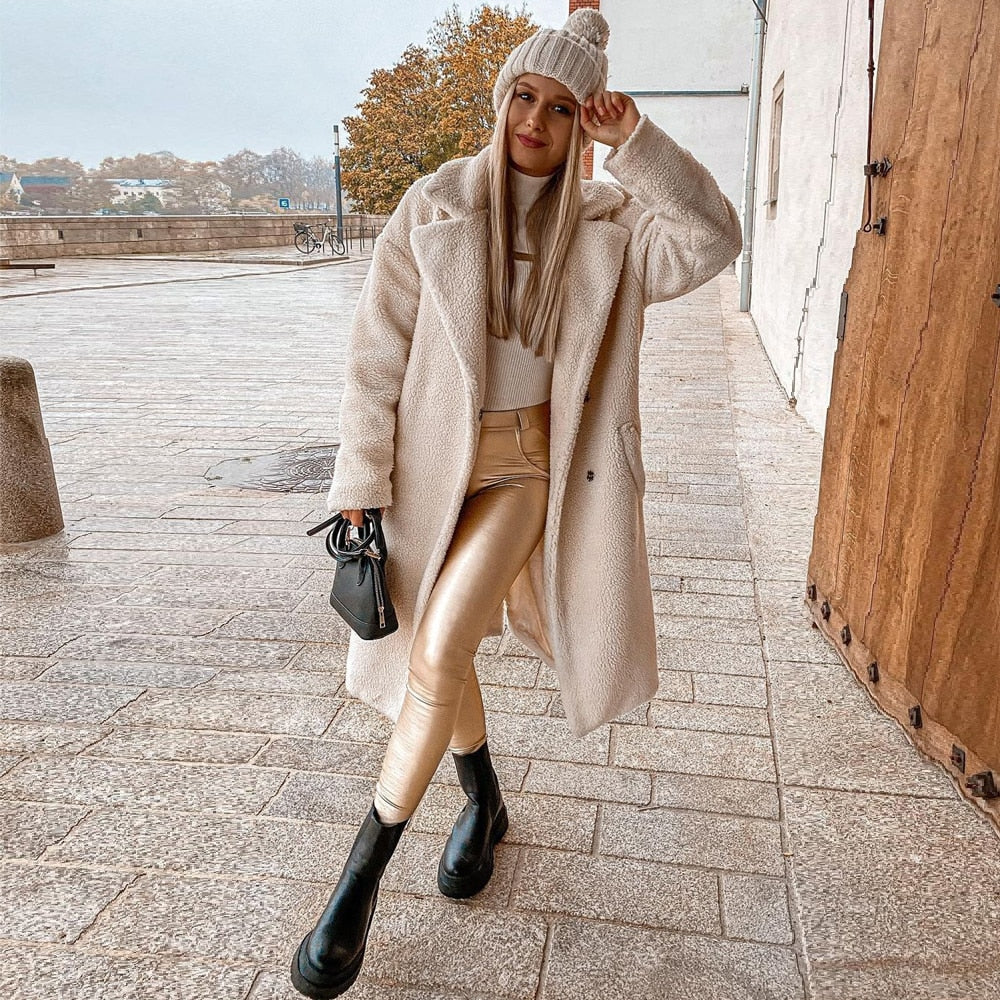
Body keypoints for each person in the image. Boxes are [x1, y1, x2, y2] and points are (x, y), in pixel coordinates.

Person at [291, 9, 743, 998]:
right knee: (435, 650)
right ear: (500, 104)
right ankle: (483, 796)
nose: (535, 117)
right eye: (522, 96)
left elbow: (711, 239)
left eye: (561, 105)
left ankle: (357, 882)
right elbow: (373, 365)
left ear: (585, 123)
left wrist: (640, 146)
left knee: (439, 646)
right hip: (424, 475)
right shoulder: (435, 207)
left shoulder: (612, 230)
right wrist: (360, 489)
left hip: (533, 471)